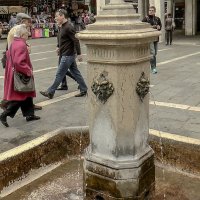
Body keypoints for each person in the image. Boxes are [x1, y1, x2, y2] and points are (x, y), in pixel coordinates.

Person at [40, 9, 87, 99]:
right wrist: (58, 47)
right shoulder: (62, 26)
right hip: (66, 54)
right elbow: (62, 39)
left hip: (68, 55)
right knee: (75, 73)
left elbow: (76, 41)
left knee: (60, 74)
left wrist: (79, 54)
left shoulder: (69, 27)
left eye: (57, 16)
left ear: (62, 16)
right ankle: (84, 88)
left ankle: (50, 91)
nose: (55, 18)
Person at [0, 25, 40, 127]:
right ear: (22, 35)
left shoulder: (14, 43)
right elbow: (19, 62)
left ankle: (29, 114)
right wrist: (28, 71)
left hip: (14, 72)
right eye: (27, 34)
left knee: (27, 95)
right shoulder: (21, 45)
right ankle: (5, 114)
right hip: (21, 74)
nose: (28, 35)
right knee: (21, 97)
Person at [142, 6, 162, 74]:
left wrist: (158, 27)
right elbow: (142, 27)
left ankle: (149, 64)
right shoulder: (146, 19)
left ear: (155, 11)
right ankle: (154, 68)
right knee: (152, 53)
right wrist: (152, 27)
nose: (150, 11)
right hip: (149, 38)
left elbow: (160, 27)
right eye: (150, 10)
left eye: (152, 10)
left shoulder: (157, 19)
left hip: (156, 38)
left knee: (155, 53)